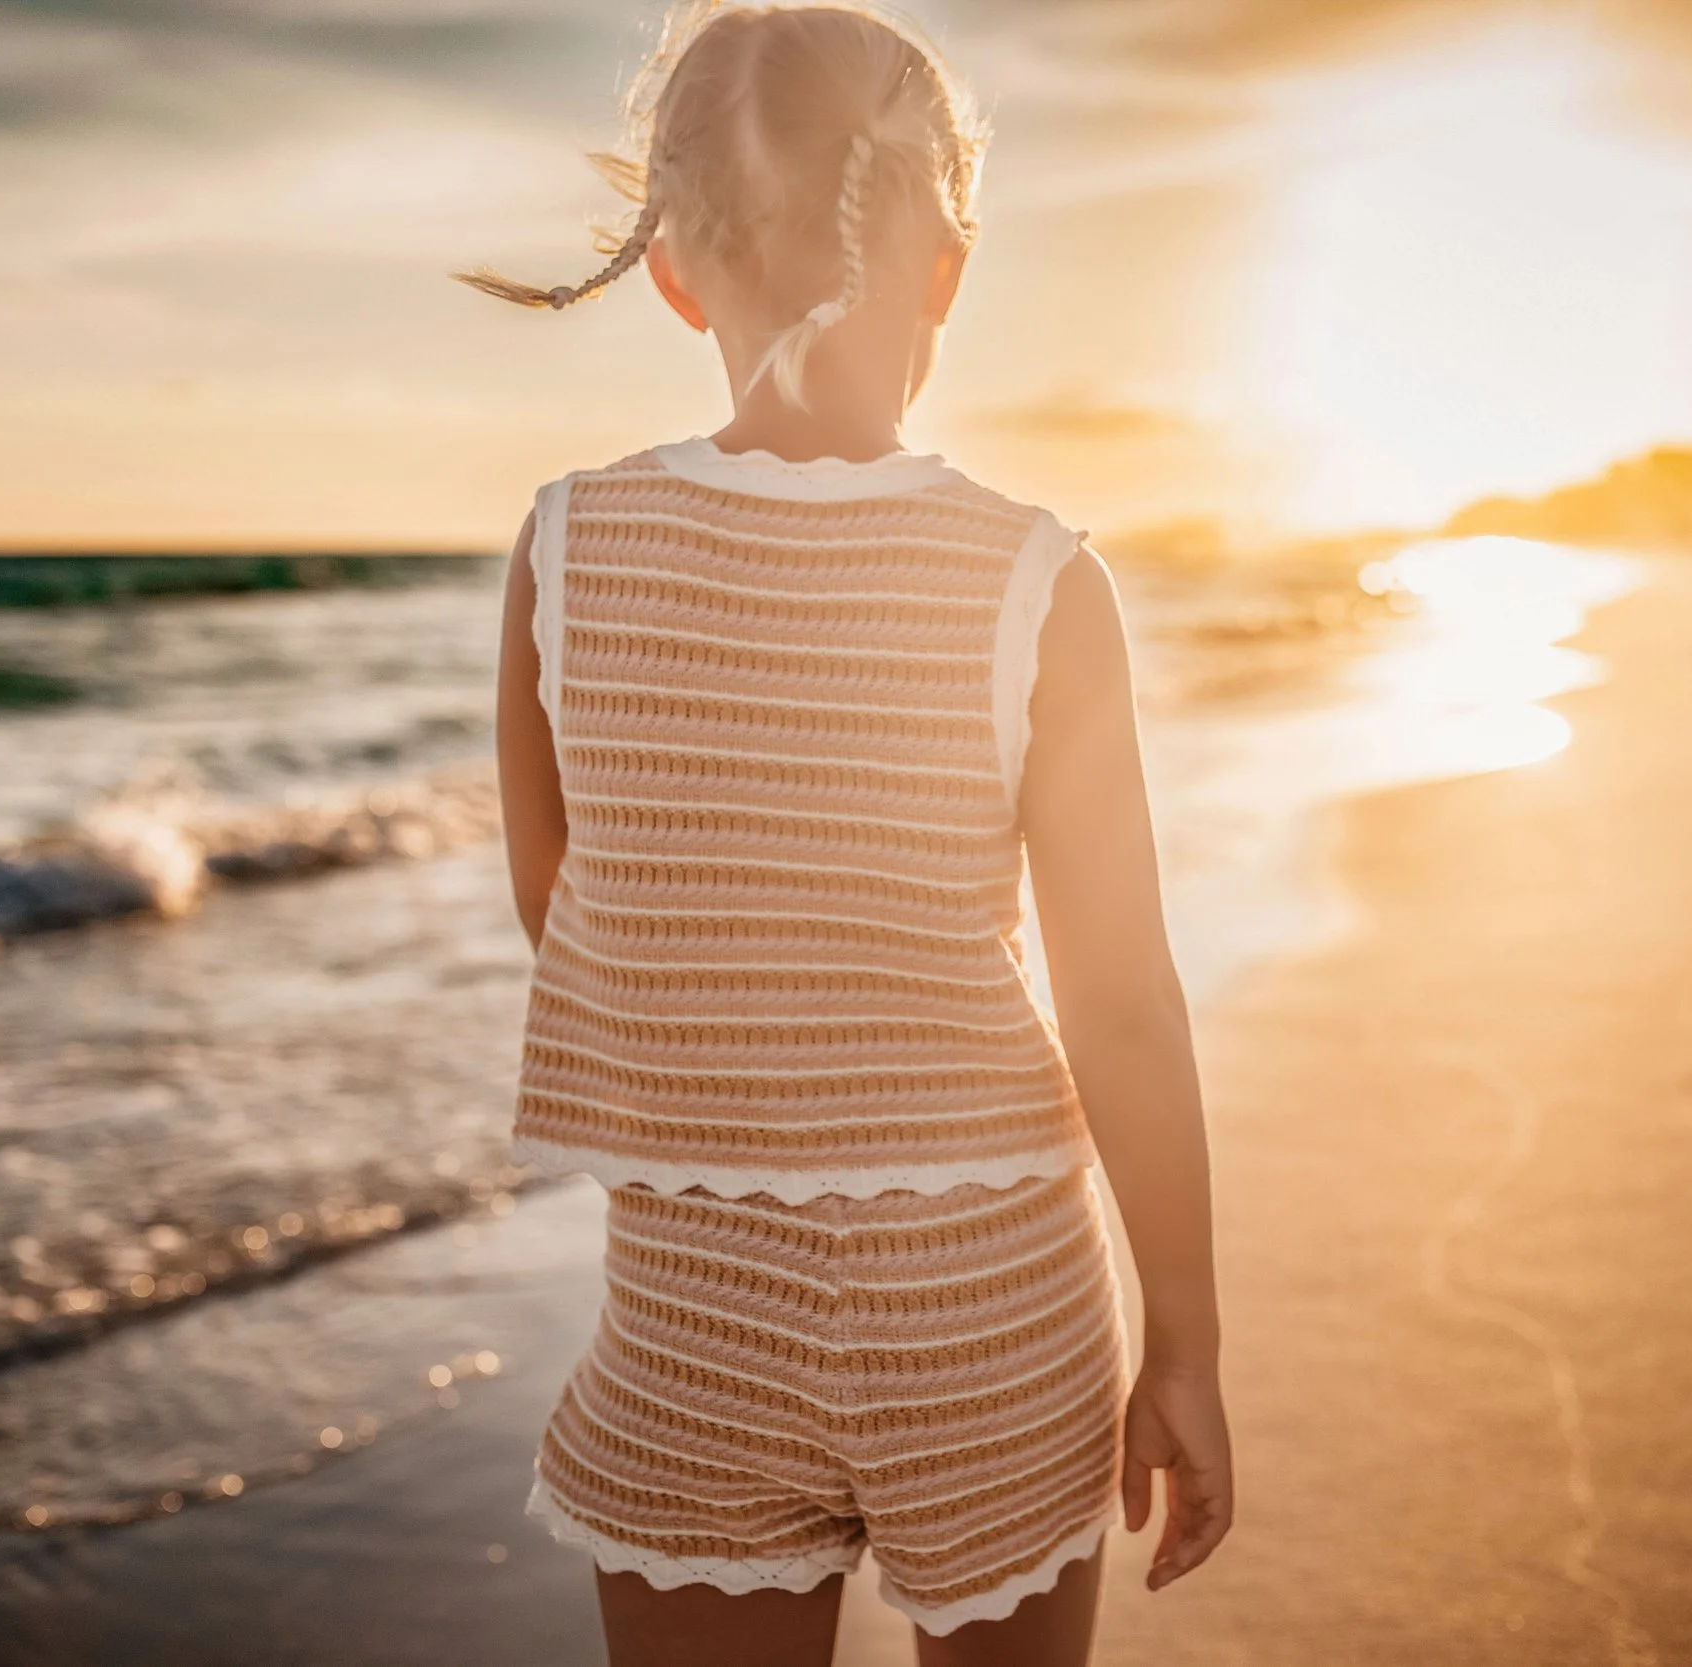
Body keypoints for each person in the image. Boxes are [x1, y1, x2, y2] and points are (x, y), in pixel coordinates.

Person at [470, 6, 1231, 1661]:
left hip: (698, 1297)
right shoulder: (1040, 578)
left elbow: (573, 910)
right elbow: (1121, 1000)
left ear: (672, 269)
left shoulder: (570, 548)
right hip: (989, 1293)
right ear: (946, 262)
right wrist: (1184, 1343)